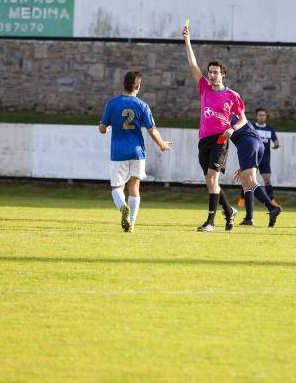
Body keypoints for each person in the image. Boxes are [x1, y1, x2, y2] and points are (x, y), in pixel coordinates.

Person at [182, 24, 242, 232]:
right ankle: (230, 211)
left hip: (220, 139)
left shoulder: (232, 95)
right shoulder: (205, 87)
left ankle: (210, 222)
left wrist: (232, 129)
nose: (212, 75)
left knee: (212, 178)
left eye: (216, 72)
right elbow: (192, 65)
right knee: (210, 181)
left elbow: (242, 119)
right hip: (204, 140)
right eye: (210, 72)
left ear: (223, 74)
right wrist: (187, 40)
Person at [99, 70, 172, 232]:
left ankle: (123, 207)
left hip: (118, 152)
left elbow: (102, 129)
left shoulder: (112, 103)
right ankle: (131, 222)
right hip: (137, 152)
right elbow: (152, 130)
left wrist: (108, 126)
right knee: (134, 187)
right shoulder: (142, 105)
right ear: (138, 86)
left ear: (123, 84)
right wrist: (162, 144)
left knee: (117, 188)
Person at [230, 114, 282, 228]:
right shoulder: (238, 115)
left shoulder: (223, 115)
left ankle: (272, 207)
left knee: (250, 181)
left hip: (247, 144)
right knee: (245, 181)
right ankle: (249, 218)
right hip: (257, 144)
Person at [237, 107, 280, 208]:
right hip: (253, 158)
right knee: (247, 178)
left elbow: (276, 142)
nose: (262, 117)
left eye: (263, 115)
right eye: (260, 115)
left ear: (266, 117)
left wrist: (276, 145)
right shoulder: (252, 127)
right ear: (256, 116)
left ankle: (271, 200)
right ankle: (242, 199)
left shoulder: (269, 129)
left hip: (264, 159)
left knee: (267, 179)